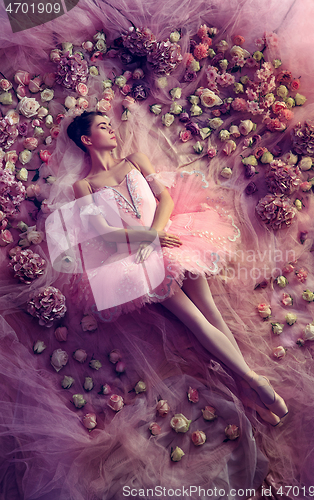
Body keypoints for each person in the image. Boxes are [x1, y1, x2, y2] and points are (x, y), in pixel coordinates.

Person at [66, 110, 288, 426]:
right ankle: (254, 382)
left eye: (110, 124)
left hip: (174, 236)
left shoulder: (135, 160)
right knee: (196, 319)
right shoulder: (84, 186)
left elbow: (165, 199)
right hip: (140, 258)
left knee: (209, 313)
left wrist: (155, 233)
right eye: (103, 127)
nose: (112, 129)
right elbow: (102, 233)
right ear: (87, 140)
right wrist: (147, 239)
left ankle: (249, 387)